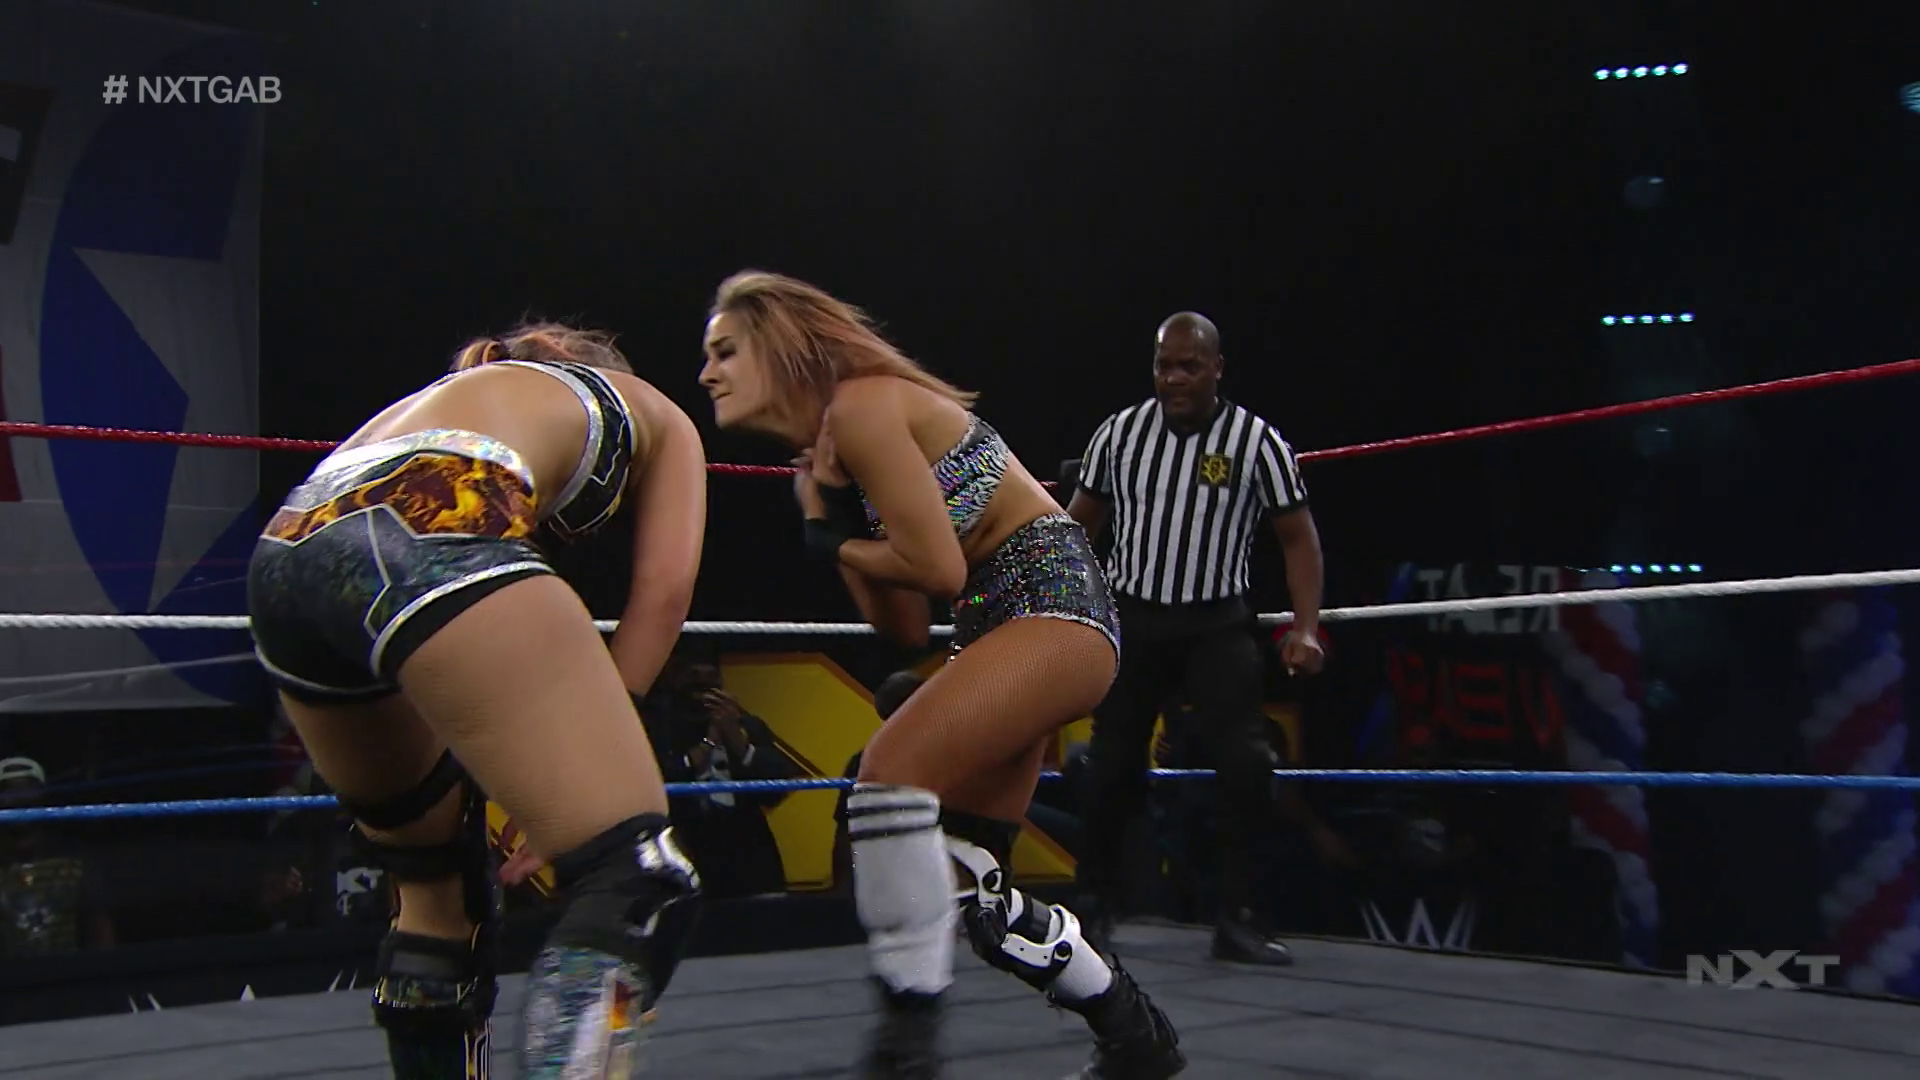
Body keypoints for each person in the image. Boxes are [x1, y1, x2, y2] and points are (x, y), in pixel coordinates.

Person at [700, 271, 1183, 1080]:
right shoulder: (834, 449)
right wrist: (833, 516)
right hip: (1004, 631)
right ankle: (1135, 1035)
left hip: (1053, 608)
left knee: (886, 776)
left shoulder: (862, 405)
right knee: (971, 887)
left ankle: (905, 1046)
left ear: (779, 348)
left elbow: (939, 569)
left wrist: (832, 539)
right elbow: (902, 626)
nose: (707, 373)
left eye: (724, 351)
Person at [245, 323, 708, 1079]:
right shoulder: (649, 406)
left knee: (436, 900)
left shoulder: (452, 399)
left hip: (287, 555)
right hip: (435, 515)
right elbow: (664, 590)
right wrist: (592, 753)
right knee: (639, 878)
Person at [1065, 311, 1326, 966]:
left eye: (1189, 365)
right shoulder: (1119, 434)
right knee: (1109, 764)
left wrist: (1305, 628)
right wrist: (1069, 606)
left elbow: (1298, 538)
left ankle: (1238, 916)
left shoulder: (1256, 442)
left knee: (1246, 764)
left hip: (1216, 621)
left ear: (1216, 369)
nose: (1175, 378)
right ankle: (1091, 907)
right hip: (1135, 617)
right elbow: (1078, 524)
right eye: (1164, 365)